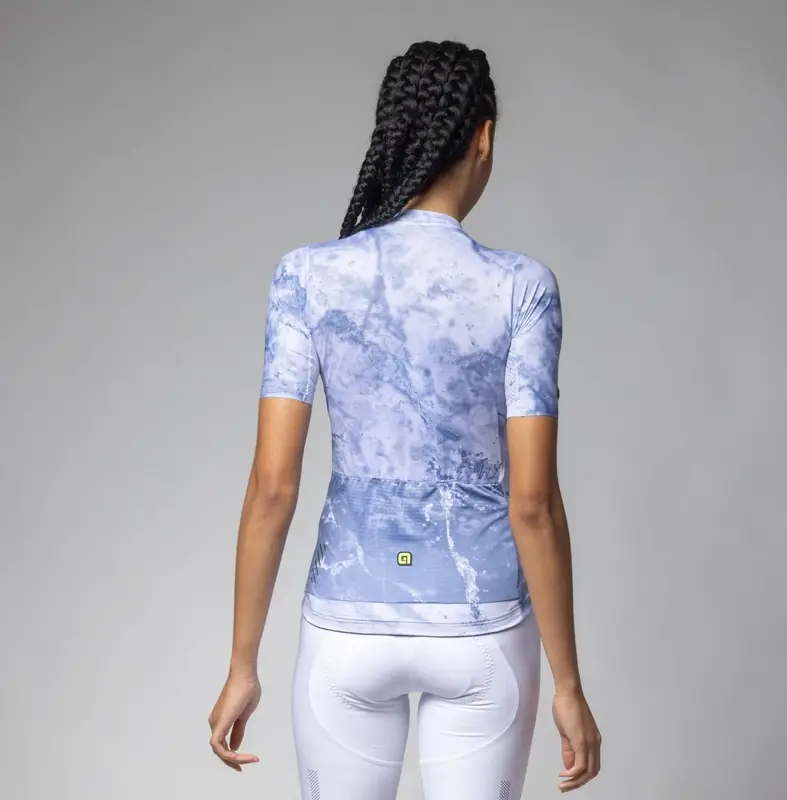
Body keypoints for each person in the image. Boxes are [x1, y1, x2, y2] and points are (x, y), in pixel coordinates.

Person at [208, 39, 601, 800]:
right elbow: (532, 503)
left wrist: (242, 664)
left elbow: (273, 486)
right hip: (483, 625)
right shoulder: (522, 287)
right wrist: (569, 685)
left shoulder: (306, 276)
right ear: (483, 136)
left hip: (347, 626)